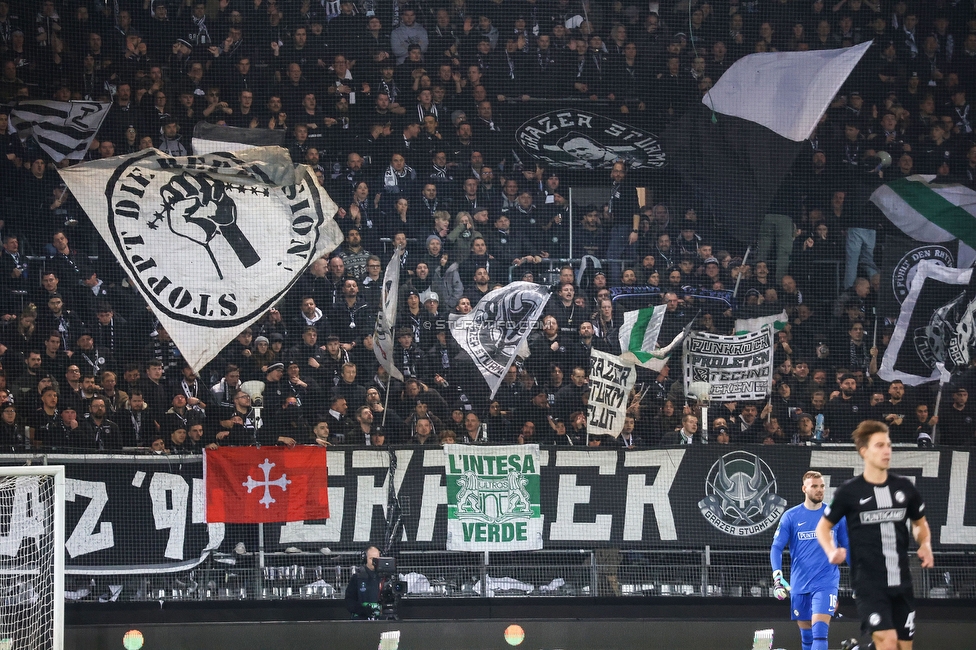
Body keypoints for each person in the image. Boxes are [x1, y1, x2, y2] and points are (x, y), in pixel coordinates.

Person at [816, 421, 934, 650]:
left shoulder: (904, 487)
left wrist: (925, 543)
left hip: (902, 582)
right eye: (879, 445)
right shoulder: (849, 492)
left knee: (902, 647)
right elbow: (823, 527)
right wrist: (831, 551)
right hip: (869, 584)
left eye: (888, 445)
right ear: (864, 452)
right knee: (888, 643)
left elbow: (920, 524)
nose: (887, 450)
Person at [770, 471, 849, 650]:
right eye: (814, 486)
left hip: (826, 582)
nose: (819, 490)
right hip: (800, 583)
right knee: (806, 638)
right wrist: (777, 577)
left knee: (819, 634)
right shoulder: (791, 516)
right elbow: (776, 547)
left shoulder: (836, 515)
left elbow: (848, 547)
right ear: (804, 489)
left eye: (822, 486)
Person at [345, 546, 382, 619]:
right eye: (371, 558)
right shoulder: (357, 577)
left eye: (376, 558)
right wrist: (362, 610)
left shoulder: (385, 577)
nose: (374, 561)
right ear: (365, 559)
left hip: (381, 620)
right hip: (361, 621)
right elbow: (349, 601)